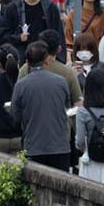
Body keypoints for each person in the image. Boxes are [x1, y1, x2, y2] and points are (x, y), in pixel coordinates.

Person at [11, 41, 72, 171]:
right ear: (46, 60)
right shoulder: (61, 82)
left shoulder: (21, 85)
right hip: (60, 146)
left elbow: (15, 117)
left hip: (33, 147)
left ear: (27, 61)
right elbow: (67, 107)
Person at [0, 0, 64, 55]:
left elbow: (58, 33)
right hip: (22, 54)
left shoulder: (50, 7)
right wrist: (18, 38)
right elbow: (3, 36)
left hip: (46, 54)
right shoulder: (13, 8)